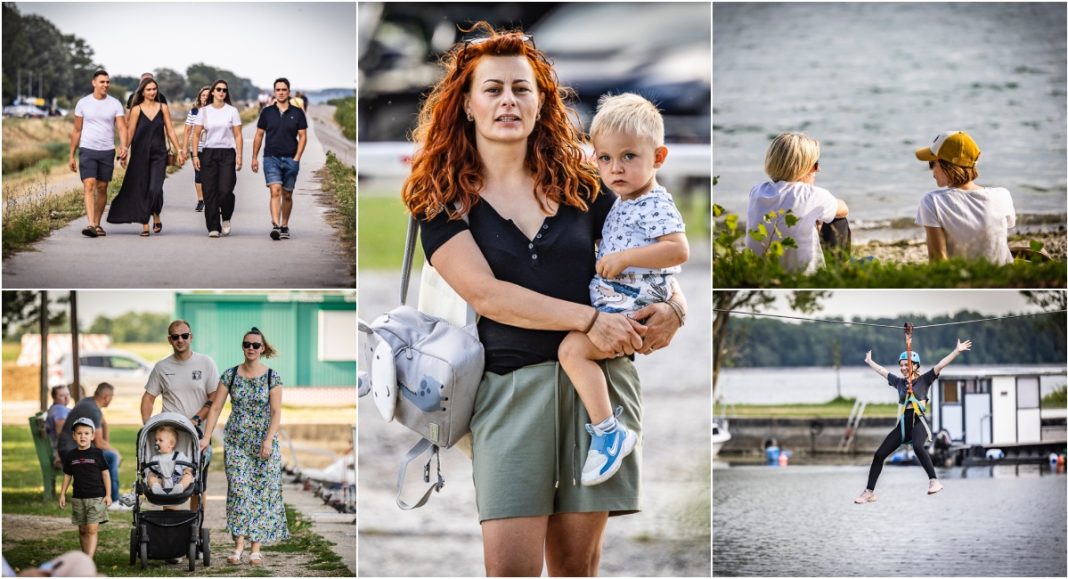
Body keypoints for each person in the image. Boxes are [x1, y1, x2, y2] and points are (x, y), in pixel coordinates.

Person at [401, 23, 685, 575]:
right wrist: (591, 319)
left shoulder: (586, 184)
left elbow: (654, 254)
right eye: (493, 89)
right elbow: (489, 295)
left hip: (600, 394)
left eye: (522, 88)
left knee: (577, 568)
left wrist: (676, 308)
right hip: (507, 395)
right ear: (466, 105)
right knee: (510, 570)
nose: (509, 99)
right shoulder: (441, 199)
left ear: (540, 103)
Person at [557, 93, 688, 486]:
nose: (616, 168)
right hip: (621, 301)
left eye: (629, 156)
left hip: (633, 308)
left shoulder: (653, 202)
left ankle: (608, 430)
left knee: (573, 350)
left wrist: (627, 257)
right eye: (605, 158)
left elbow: (678, 249)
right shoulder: (623, 200)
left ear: (658, 158)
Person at [199, 328, 288, 566]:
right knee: (239, 490)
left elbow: (277, 412)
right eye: (247, 344)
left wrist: (268, 439)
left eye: (256, 345)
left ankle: (255, 548)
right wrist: (206, 436)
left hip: (263, 443)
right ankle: (238, 546)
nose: (251, 348)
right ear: (243, 346)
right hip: (237, 442)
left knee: (260, 493)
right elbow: (216, 408)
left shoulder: (272, 377)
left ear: (263, 349)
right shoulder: (230, 375)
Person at [855, 339, 972, 504]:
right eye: (901, 365)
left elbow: (940, 365)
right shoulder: (899, 383)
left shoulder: (924, 380)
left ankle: (934, 481)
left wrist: (957, 351)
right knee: (879, 454)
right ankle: (869, 492)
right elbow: (883, 372)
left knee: (917, 446)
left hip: (919, 422)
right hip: (903, 425)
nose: (903, 368)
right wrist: (869, 361)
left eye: (906, 365)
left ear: (915, 366)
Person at [745, 132, 850, 274]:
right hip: (802, 276)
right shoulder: (811, 195)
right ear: (802, 167)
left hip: (759, 274)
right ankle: (837, 274)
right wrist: (816, 216)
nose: (818, 169)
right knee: (839, 220)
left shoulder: (756, 191)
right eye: (815, 164)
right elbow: (844, 209)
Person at [142, 319, 219, 511]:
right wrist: (148, 426)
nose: (180, 340)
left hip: (198, 434)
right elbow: (148, 398)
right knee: (167, 482)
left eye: (184, 336)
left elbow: (214, 397)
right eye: (175, 337)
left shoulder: (205, 363)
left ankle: (194, 527)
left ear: (191, 337)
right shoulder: (162, 367)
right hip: (169, 434)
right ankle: (171, 528)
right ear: (170, 340)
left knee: (197, 485)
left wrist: (197, 418)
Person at [914, 131, 1016, 264]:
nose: (931, 170)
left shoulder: (932, 202)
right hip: (1004, 278)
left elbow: (938, 262)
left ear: (947, 166)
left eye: (932, 164)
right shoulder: (1002, 195)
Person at [106, 77, 182, 236]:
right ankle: (145, 224)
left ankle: (156, 213)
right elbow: (130, 131)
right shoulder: (136, 109)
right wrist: (125, 149)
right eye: (149, 89)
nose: (152, 92)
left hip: (159, 154)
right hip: (140, 155)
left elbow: (170, 130)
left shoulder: (163, 108)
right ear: (142, 91)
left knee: (155, 188)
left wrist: (179, 149)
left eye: (154, 89)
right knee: (141, 189)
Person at [68, 70, 128, 238]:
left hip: (107, 150)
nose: (106, 85)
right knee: (89, 185)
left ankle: (97, 223)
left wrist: (124, 147)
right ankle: (91, 224)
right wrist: (71, 155)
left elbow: (122, 128)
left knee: (102, 187)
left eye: (107, 82)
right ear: (94, 83)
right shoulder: (83, 103)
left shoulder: (115, 104)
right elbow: (77, 130)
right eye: (102, 82)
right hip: (87, 149)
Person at [56, 383, 128, 511]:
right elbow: (99, 443)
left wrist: (108, 445)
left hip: (73, 448)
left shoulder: (89, 403)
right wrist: (116, 452)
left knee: (108, 456)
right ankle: (114, 500)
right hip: (72, 452)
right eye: (111, 397)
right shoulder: (92, 409)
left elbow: (104, 424)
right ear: (107, 397)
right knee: (111, 457)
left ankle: (110, 496)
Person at [251, 78, 308, 240]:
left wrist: (297, 157)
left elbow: (303, 136)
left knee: (287, 194)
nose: (281, 92)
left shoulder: (297, 113)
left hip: (291, 158)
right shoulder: (267, 112)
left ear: (288, 92)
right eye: (278, 89)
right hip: (271, 158)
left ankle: (285, 225)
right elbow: (259, 135)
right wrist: (254, 157)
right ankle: (275, 225)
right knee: (275, 191)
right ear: (274, 92)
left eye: (284, 89)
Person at [192, 79, 243, 238]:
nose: (222, 92)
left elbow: (238, 135)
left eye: (224, 90)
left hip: (227, 153)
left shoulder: (232, 111)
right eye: (219, 89)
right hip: (208, 153)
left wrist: (239, 155)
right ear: (213, 92)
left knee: (225, 190)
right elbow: (196, 134)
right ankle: (213, 226)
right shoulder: (204, 111)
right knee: (209, 192)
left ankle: (226, 217)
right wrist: (194, 155)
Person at [58, 417, 111, 558]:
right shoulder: (71, 455)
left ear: (92, 436)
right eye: (79, 433)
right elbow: (67, 475)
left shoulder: (97, 454)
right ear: (74, 436)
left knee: (92, 529)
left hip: (96, 496)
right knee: (82, 530)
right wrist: (62, 494)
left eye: (87, 433)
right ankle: (84, 555)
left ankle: (89, 559)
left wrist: (108, 494)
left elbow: (105, 474)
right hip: (78, 497)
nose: (83, 436)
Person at [183, 86, 211, 212]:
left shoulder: (216, 111)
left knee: (211, 175)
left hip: (212, 147)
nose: (205, 97)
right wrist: (184, 148)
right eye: (203, 95)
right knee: (199, 175)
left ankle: (212, 199)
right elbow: (187, 130)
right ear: (200, 97)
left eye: (208, 95)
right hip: (197, 148)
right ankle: (201, 200)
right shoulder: (194, 111)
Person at [144, 425, 194, 496]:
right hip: (161, 482)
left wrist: (187, 471)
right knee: (150, 477)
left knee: (188, 476)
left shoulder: (179, 456)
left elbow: (188, 466)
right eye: (156, 440)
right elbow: (152, 472)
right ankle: (156, 488)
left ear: (171, 444)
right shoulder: (155, 458)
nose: (157, 443)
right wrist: (151, 475)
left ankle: (180, 488)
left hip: (177, 481)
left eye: (160, 440)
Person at [45, 385, 72, 460]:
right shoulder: (59, 409)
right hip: (67, 450)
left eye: (68, 394)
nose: (66, 398)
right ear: (54, 398)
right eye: (62, 395)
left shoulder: (57, 408)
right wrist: (59, 453)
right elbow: (60, 432)